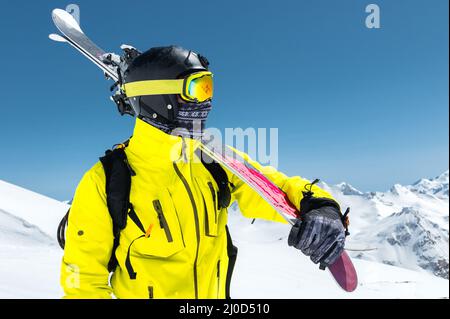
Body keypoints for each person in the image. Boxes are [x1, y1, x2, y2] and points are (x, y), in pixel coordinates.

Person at [60, 45, 348, 299]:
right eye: (197, 88)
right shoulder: (106, 182)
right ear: (160, 97)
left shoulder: (212, 159)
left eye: (209, 87)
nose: (206, 101)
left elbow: (273, 187)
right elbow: (82, 284)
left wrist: (320, 205)